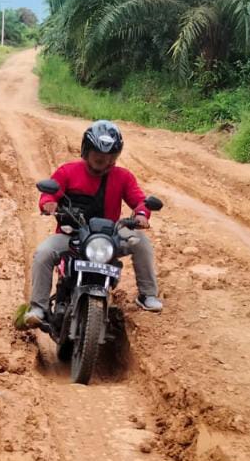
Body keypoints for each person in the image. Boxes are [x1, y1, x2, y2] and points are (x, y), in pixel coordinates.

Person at [25, 120, 162, 328]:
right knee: (43, 253)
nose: (102, 160)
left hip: (109, 236)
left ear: (115, 157)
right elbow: (49, 193)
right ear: (86, 151)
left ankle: (147, 295)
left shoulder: (123, 177)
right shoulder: (68, 171)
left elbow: (139, 200)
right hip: (72, 236)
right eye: (98, 154)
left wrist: (142, 213)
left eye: (109, 157)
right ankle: (39, 308)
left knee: (140, 241)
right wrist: (49, 203)